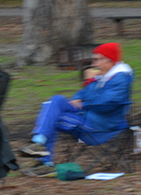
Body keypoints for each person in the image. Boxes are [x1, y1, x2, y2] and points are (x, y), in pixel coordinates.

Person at [20, 42, 134, 177]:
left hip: (101, 126)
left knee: (51, 116)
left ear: (110, 60)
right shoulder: (104, 76)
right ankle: (40, 143)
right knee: (55, 101)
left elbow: (105, 104)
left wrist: (87, 92)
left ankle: (44, 158)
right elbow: (84, 93)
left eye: (98, 59)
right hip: (89, 117)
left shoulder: (119, 79)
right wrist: (78, 98)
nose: (94, 64)